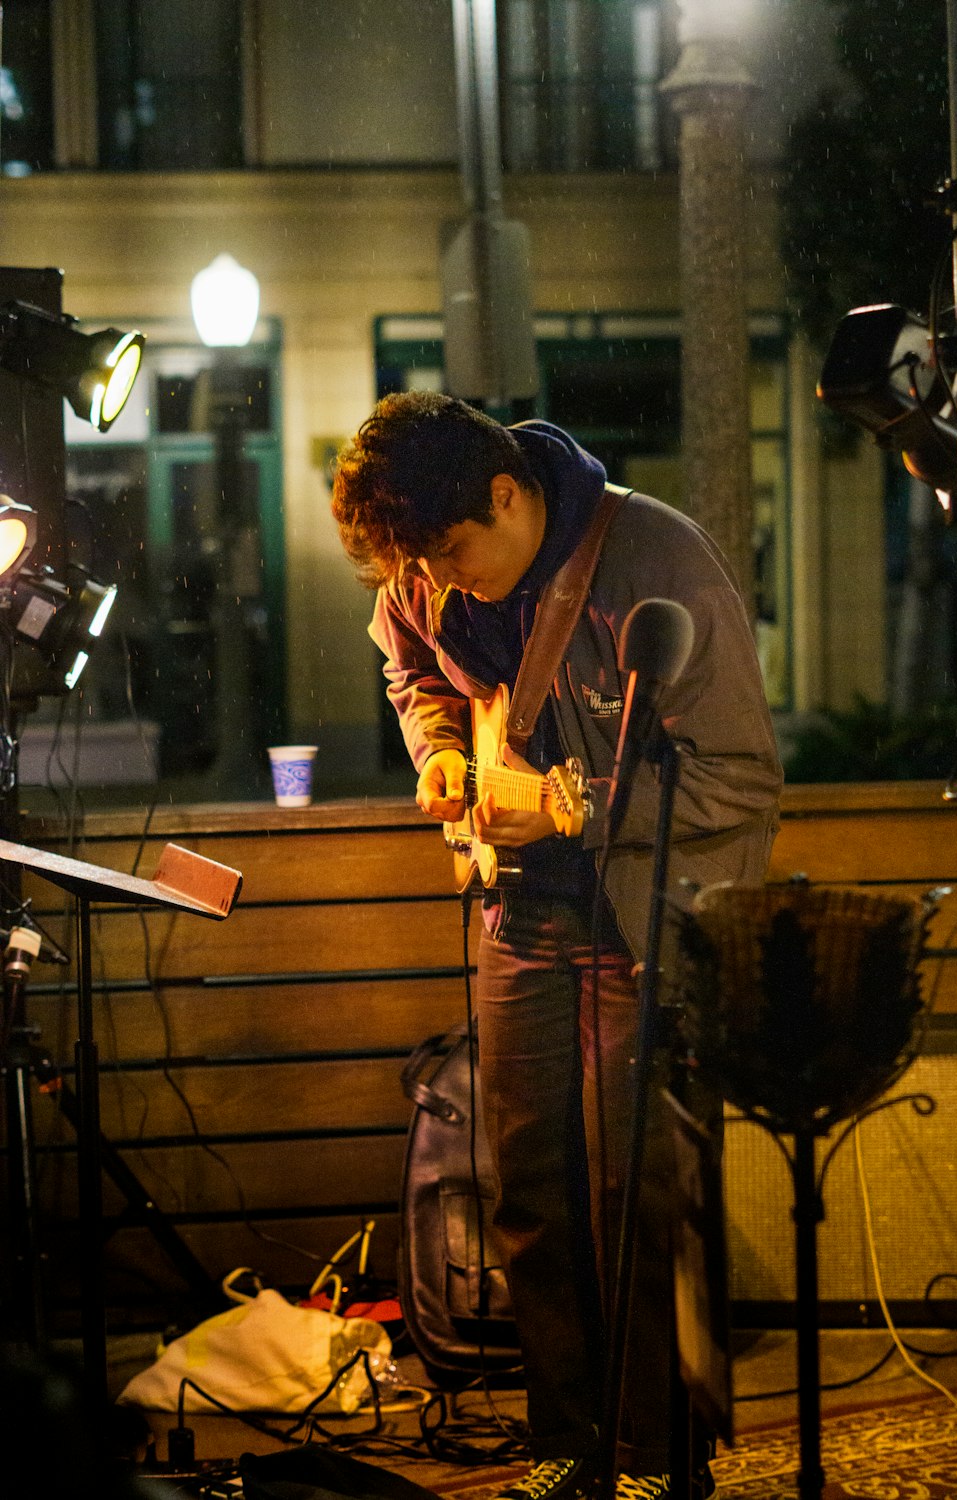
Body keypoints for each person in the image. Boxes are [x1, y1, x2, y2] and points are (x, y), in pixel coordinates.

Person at [332, 391, 783, 1500]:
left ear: (505, 494)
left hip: (641, 915)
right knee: (529, 1190)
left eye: (448, 555)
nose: (437, 584)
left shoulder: (652, 553)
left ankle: (659, 1459)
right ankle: (567, 1448)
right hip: (519, 911)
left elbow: (739, 773)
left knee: (635, 1192)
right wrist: (441, 750)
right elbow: (414, 671)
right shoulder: (424, 573)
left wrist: (570, 811)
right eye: (415, 571)